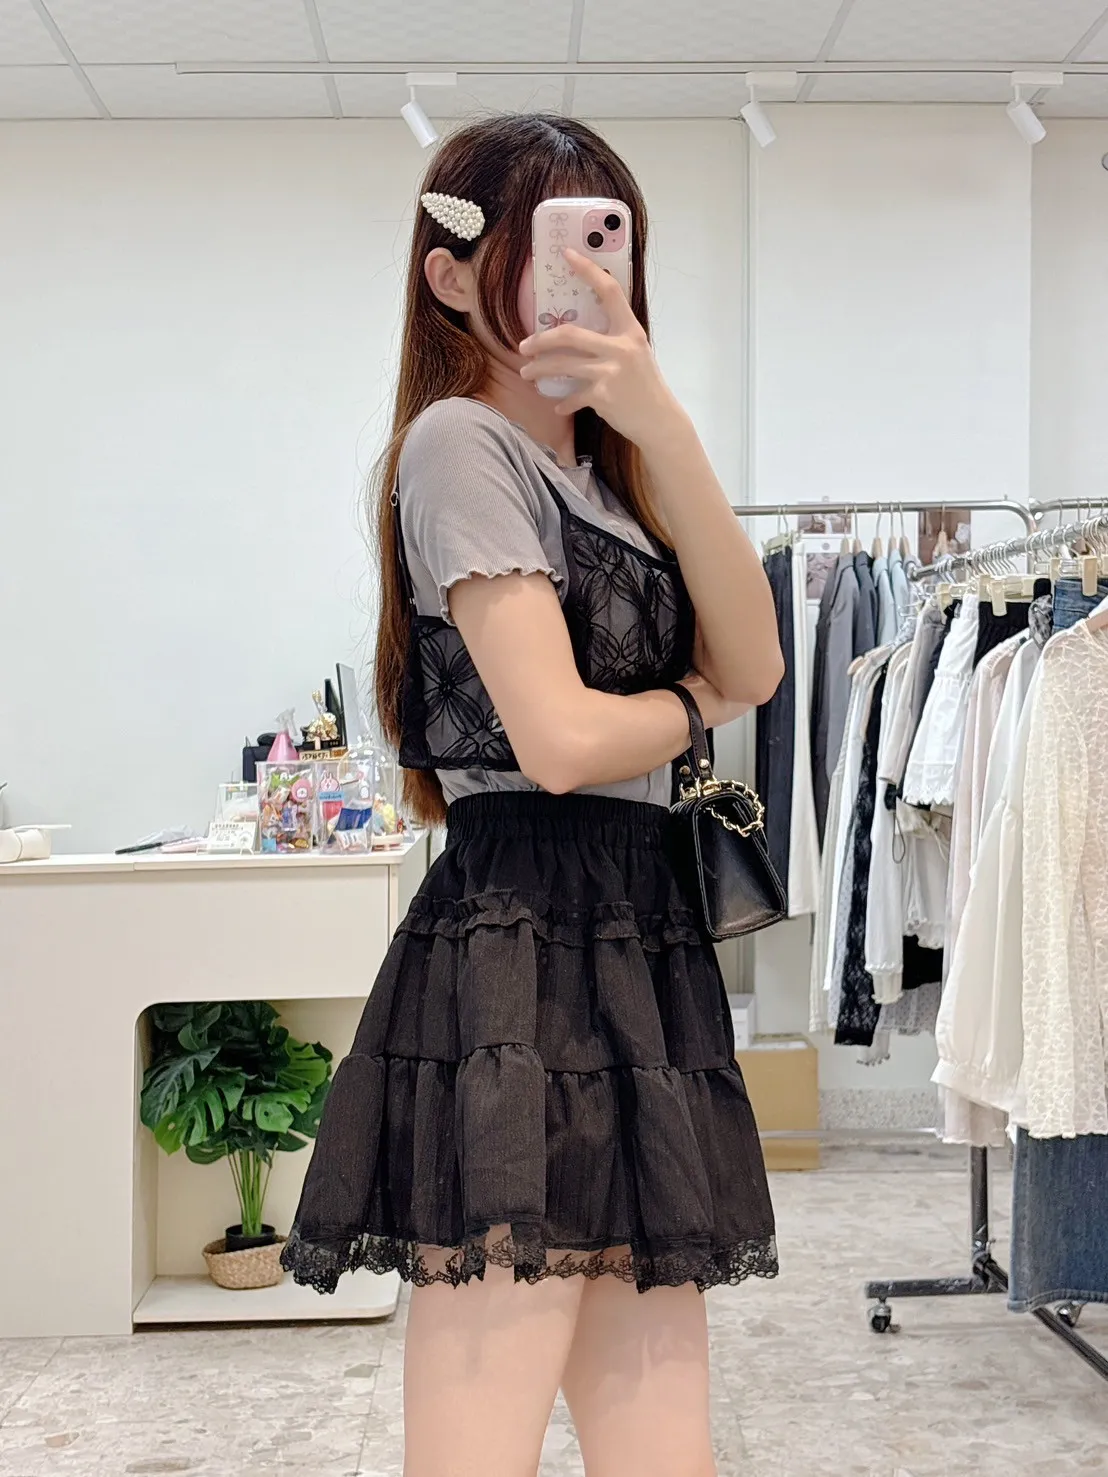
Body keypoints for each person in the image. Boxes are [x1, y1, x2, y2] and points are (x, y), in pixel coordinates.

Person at [283, 113, 784, 1477]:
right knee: (483, 1431)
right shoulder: (459, 444)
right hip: (522, 935)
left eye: (609, 247)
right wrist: (690, 706)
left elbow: (759, 661)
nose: (588, 279)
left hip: (635, 932)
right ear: (451, 275)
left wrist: (660, 419)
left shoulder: (610, 473)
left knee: (660, 1430)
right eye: (551, 246)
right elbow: (560, 742)